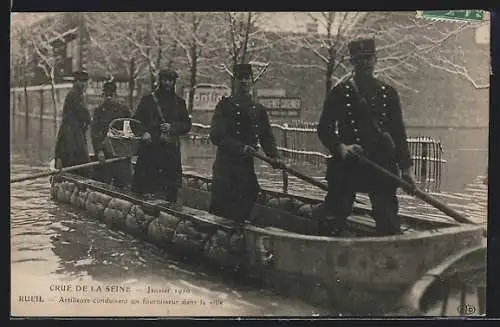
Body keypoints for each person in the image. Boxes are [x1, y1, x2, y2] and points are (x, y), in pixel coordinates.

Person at [317, 38, 417, 237]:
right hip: (349, 164)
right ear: (352, 63)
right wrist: (341, 148)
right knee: (334, 218)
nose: (364, 64)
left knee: (388, 222)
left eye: (368, 58)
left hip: (381, 166)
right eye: (359, 59)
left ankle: (389, 255)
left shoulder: (389, 94)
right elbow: (324, 129)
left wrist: (406, 170)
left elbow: (398, 133)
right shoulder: (340, 93)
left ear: (376, 60)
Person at [209, 63, 284, 225]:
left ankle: (239, 233)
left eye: (247, 78)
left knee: (250, 193)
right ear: (234, 81)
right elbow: (217, 135)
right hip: (226, 166)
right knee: (222, 204)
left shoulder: (258, 109)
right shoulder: (225, 106)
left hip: (246, 166)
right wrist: (240, 147)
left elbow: (266, 137)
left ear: (251, 81)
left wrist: (274, 156)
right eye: (240, 78)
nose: (244, 82)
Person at [132, 68, 192, 202]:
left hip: (170, 153)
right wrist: (144, 133)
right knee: (145, 191)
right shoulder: (148, 100)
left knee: (170, 192)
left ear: (174, 82)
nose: (167, 83)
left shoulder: (179, 103)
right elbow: (135, 122)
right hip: (150, 151)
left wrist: (173, 127)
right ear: (160, 81)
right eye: (165, 80)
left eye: (170, 80)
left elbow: (187, 125)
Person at [90, 80, 133, 189]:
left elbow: (131, 129)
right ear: (102, 95)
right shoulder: (98, 111)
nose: (108, 98)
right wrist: (99, 151)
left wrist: (128, 148)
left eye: (111, 95)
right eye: (106, 95)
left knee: (124, 183)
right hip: (105, 154)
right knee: (103, 182)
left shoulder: (124, 110)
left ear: (116, 95)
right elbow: (95, 133)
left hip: (121, 153)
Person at [54, 70, 91, 177]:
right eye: (81, 81)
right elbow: (84, 113)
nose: (84, 84)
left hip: (74, 129)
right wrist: (90, 121)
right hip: (72, 130)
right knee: (79, 158)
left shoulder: (77, 94)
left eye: (85, 81)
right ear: (76, 82)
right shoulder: (74, 95)